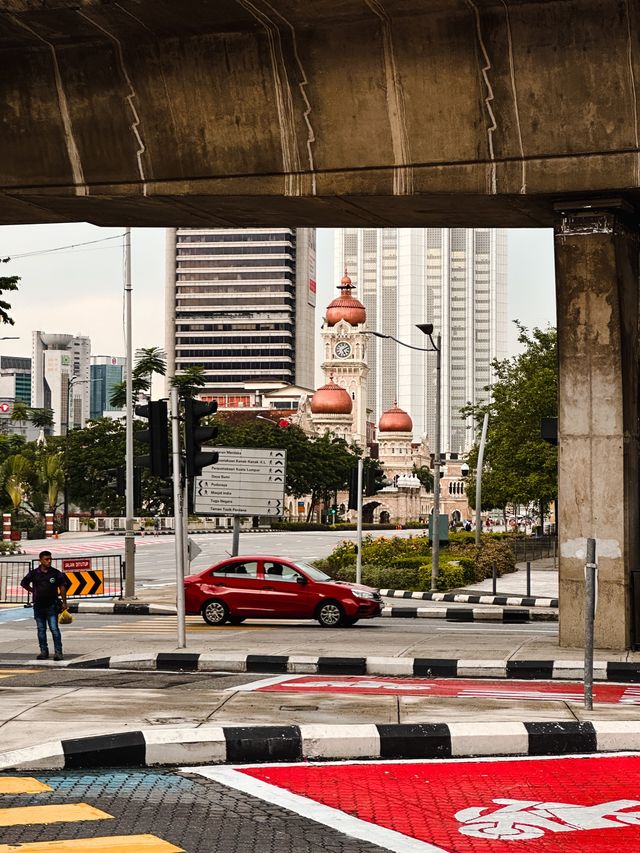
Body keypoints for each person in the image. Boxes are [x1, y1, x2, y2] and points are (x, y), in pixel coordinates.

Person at [20, 550, 70, 661]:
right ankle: (44, 652)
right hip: (38, 606)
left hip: (52, 605)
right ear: (40, 560)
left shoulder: (55, 573)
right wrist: (33, 590)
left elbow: (63, 586)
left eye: (50, 559)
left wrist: (64, 602)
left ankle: (58, 652)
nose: (49, 561)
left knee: (54, 629)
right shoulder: (34, 573)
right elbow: (24, 583)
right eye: (46, 559)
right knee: (41, 630)